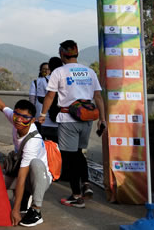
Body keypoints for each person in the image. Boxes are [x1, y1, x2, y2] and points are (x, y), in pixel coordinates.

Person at [39, 40, 106, 208]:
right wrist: (102, 119)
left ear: (62, 54)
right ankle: (86, 183)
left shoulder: (59, 72)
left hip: (68, 119)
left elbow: (50, 96)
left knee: (69, 158)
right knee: (78, 153)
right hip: (87, 119)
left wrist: (43, 114)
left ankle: (76, 196)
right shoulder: (90, 72)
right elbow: (98, 97)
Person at [0, 77, 51, 227]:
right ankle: (24, 197)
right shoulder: (16, 120)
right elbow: (1, 106)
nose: (19, 120)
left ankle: (36, 210)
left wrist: (15, 210)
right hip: (21, 172)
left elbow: (23, 176)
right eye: (17, 115)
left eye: (25, 117)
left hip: (38, 179)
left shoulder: (33, 141)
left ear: (32, 120)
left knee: (36, 164)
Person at [29, 62, 58, 142]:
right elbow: (32, 100)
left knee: (39, 140)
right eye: (44, 69)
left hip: (43, 116)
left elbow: (32, 99)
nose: (46, 71)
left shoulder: (37, 82)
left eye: (48, 69)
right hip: (47, 117)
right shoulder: (57, 81)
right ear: (40, 70)